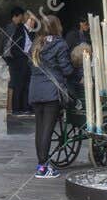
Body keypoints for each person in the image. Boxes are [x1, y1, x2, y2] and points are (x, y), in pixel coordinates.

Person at [27, 13, 74, 179]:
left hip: (35, 90)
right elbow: (66, 69)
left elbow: (31, 67)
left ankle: (41, 164)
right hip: (51, 92)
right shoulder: (60, 45)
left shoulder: (36, 44)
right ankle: (43, 167)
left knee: (39, 129)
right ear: (56, 27)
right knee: (47, 129)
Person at [4, 7, 32, 116]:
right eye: (21, 17)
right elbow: (12, 46)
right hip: (14, 59)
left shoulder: (19, 28)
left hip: (17, 59)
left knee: (20, 84)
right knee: (16, 84)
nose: (21, 19)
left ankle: (20, 107)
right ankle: (15, 108)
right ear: (16, 16)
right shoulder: (12, 28)